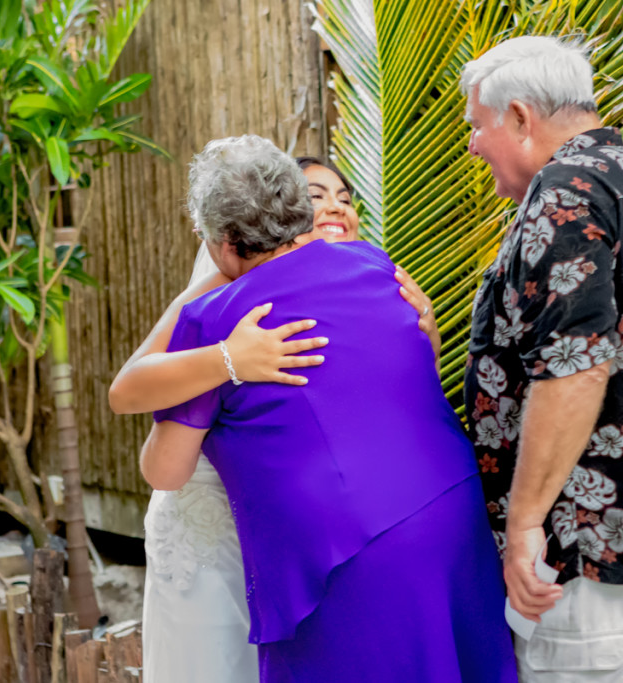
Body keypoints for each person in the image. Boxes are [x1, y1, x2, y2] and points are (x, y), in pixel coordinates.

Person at [137, 134, 517, 682]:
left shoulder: (213, 320)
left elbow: (164, 468)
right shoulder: (373, 265)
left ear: (222, 241)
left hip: (344, 547)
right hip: (453, 510)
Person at [460, 36, 623, 682]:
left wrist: (524, 523)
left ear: (521, 117)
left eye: (477, 127)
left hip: (593, 564)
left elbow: (574, 365)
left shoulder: (562, 192)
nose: (472, 145)